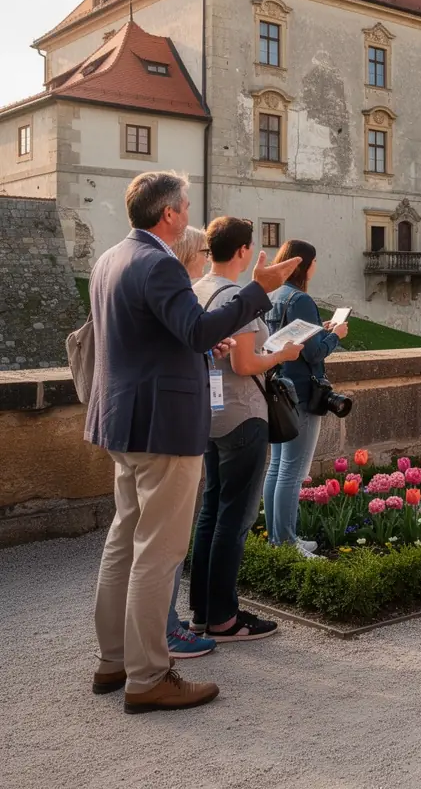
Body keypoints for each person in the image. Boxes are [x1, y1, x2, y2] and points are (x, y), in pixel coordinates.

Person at [88, 171, 299, 714]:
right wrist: (261, 288)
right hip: (162, 426)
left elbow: (158, 337)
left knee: (123, 541)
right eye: (184, 206)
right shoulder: (159, 263)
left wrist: (203, 343)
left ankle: (114, 660)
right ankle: (149, 675)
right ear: (170, 216)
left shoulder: (111, 258)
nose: (188, 214)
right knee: (158, 552)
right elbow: (197, 331)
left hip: (123, 420)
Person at [190, 217, 302, 641]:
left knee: (210, 513)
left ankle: (202, 611)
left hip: (210, 416)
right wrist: (283, 353)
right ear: (242, 252)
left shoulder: (200, 288)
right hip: (242, 414)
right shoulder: (237, 295)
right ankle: (223, 618)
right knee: (234, 520)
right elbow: (245, 363)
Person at [263, 239, 348, 555]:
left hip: (278, 390)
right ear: (306, 265)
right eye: (314, 262)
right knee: (293, 471)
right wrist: (335, 336)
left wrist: (321, 329)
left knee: (276, 467)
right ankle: (286, 541)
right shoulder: (300, 299)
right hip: (301, 393)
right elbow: (313, 354)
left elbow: (286, 340)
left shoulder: (274, 296)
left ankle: (276, 538)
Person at [165, 225, 218, 660]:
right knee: (166, 542)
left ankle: (164, 624)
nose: (207, 257)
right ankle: (165, 633)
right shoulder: (176, 289)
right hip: (170, 428)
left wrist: (205, 349)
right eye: (203, 251)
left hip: (159, 426)